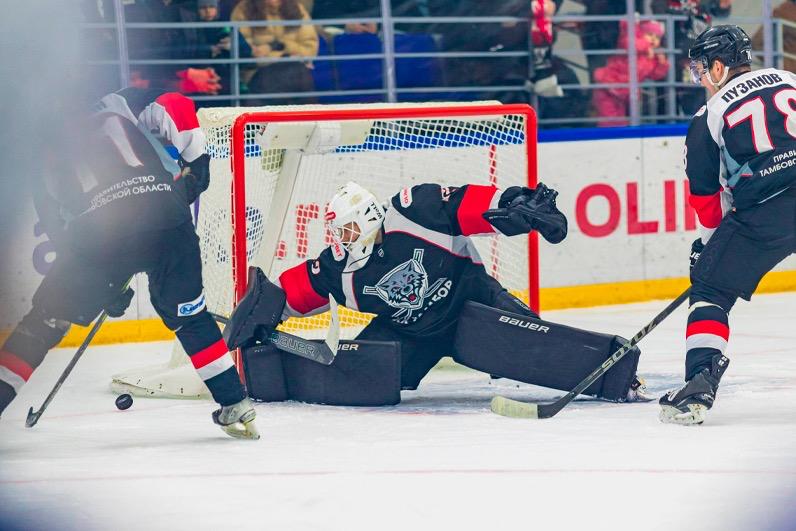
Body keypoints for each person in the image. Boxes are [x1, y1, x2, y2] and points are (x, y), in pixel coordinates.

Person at [224, 181, 651, 402]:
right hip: (411, 335)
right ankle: (274, 378)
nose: (342, 239)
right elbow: (296, 291)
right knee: (358, 375)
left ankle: (619, 378)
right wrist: (264, 311)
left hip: (473, 307)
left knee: (536, 344)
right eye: (338, 231)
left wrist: (518, 203)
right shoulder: (339, 267)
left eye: (348, 228)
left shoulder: (412, 211)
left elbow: (467, 204)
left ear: (369, 217)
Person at [0, 88, 259, 439]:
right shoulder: (120, 102)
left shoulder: (39, 143)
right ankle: (236, 403)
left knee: (45, 322)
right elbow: (176, 104)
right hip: (169, 216)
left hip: (103, 232)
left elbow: (58, 229)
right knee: (190, 317)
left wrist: (100, 286)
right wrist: (195, 171)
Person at [659, 25, 796, 425]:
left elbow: (705, 197)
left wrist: (708, 247)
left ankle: (699, 383)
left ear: (719, 67)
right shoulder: (790, 78)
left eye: (702, 69)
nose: (701, 78)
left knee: (710, 291)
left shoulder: (710, 115)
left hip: (766, 212)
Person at [231, 0, 319, 105]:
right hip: (259, 72)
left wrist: (281, 46)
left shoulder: (297, 8)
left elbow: (310, 48)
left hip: (293, 69)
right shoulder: (244, 10)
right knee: (300, 75)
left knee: (298, 73)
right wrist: (284, 56)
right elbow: (246, 53)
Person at [592, 19, 669, 127]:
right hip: (608, 87)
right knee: (609, 120)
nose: (653, 39)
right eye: (649, 34)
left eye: (657, 37)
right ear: (640, 34)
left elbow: (654, 75)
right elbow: (629, 43)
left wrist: (662, 64)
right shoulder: (631, 42)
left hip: (625, 93)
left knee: (622, 121)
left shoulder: (651, 57)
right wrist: (646, 46)